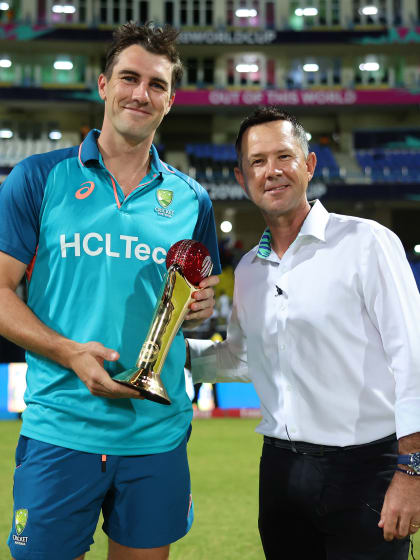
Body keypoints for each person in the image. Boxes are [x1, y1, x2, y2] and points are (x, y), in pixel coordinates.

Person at [0, 22, 220, 560]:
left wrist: (200, 307)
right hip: (61, 427)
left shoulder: (192, 200)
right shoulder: (38, 177)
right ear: (103, 85)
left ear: (170, 100)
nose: (141, 94)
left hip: (156, 434)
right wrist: (69, 352)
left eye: (157, 84)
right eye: (129, 77)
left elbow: (192, 296)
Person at [187, 106, 420, 559]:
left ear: (309, 165)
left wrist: (412, 472)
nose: (271, 171)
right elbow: (242, 359)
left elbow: (413, 360)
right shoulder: (251, 268)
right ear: (241, 177)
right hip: (279, 472)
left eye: (284, 157)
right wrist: (165, 354)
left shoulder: (367, 242)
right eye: (257, 162)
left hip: (365, 470)